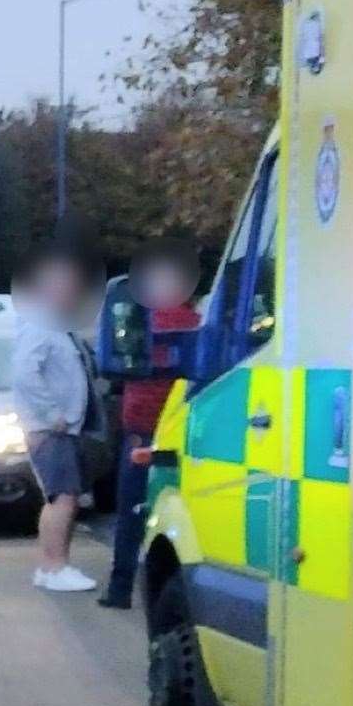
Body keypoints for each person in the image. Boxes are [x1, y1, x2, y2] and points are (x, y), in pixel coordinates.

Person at [98, 238, 203, 609]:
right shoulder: (196, 323)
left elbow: (114, 365)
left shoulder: (137, 319)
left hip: (144, 433)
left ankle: (120, 588)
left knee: (132, 512)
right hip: (182, 433)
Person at [11, 242, 101, 593]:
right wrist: (53, 414)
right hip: (51, 429)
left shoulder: (55, 326)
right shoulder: (41, 327)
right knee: (62, 498)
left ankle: (51, 567)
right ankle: (54, 567)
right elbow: (24, 373)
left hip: (60, 427)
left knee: (63, 497)